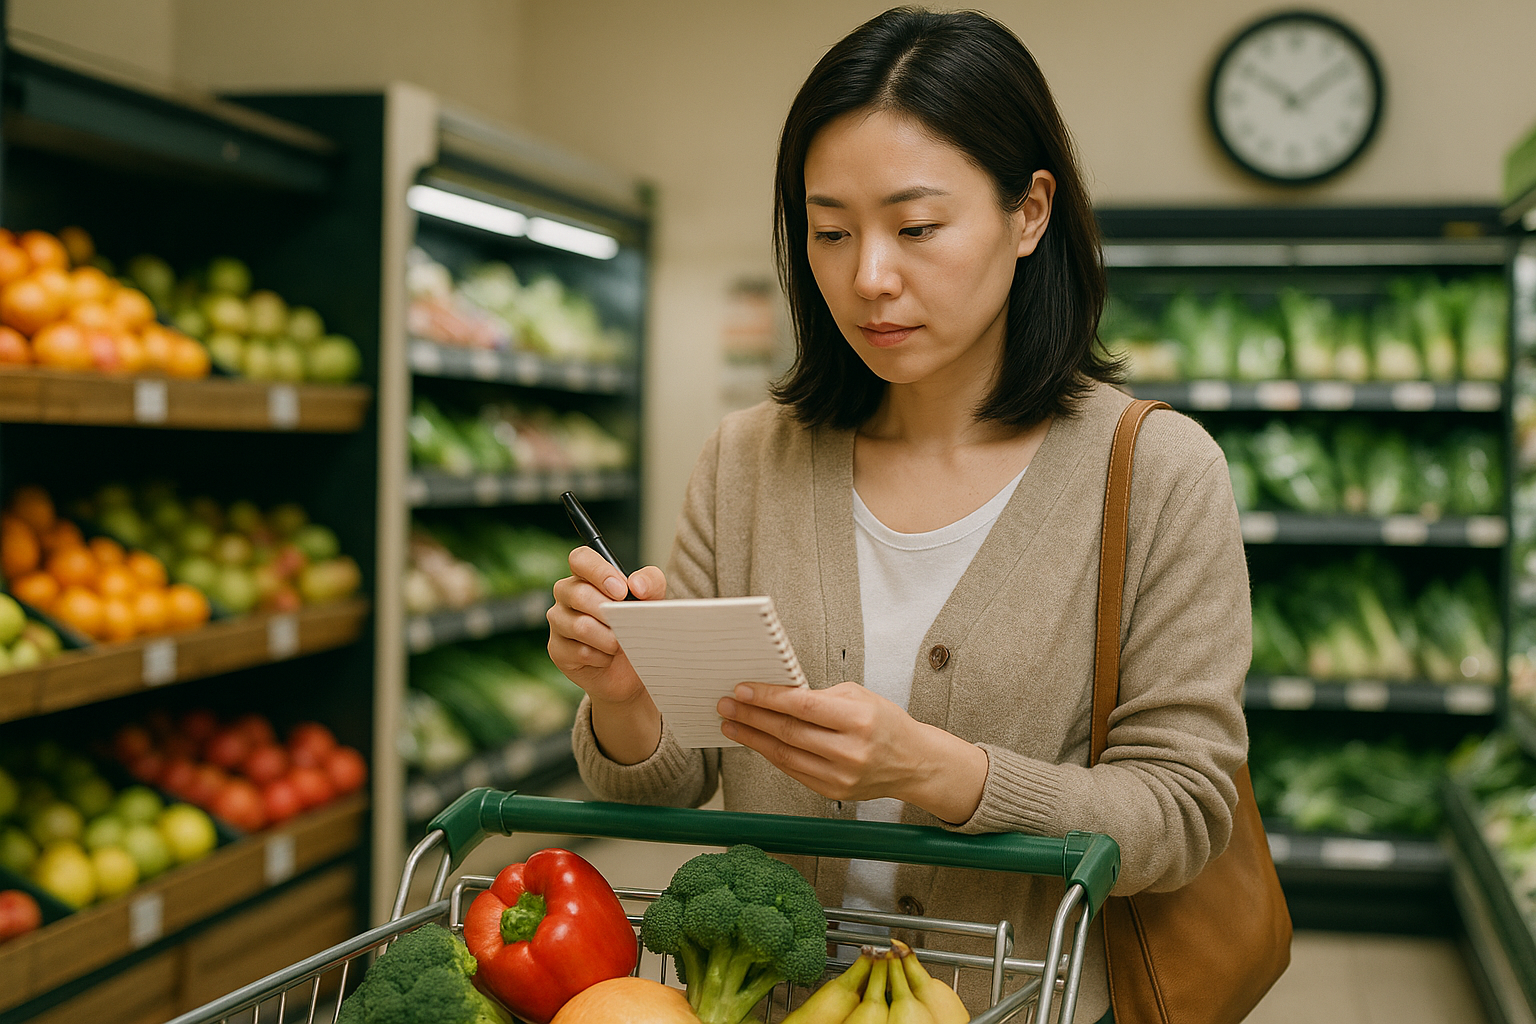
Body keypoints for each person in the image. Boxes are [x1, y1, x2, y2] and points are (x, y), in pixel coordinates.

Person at [547, 7, 1249, 1021]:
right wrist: (624, 695)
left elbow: (1182, 815)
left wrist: (941, 770)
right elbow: (660, 780)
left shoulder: (1158, 473)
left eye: (916, 228)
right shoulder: (748, 458)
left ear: (1030, 212)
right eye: (830, 232)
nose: (868, 276)